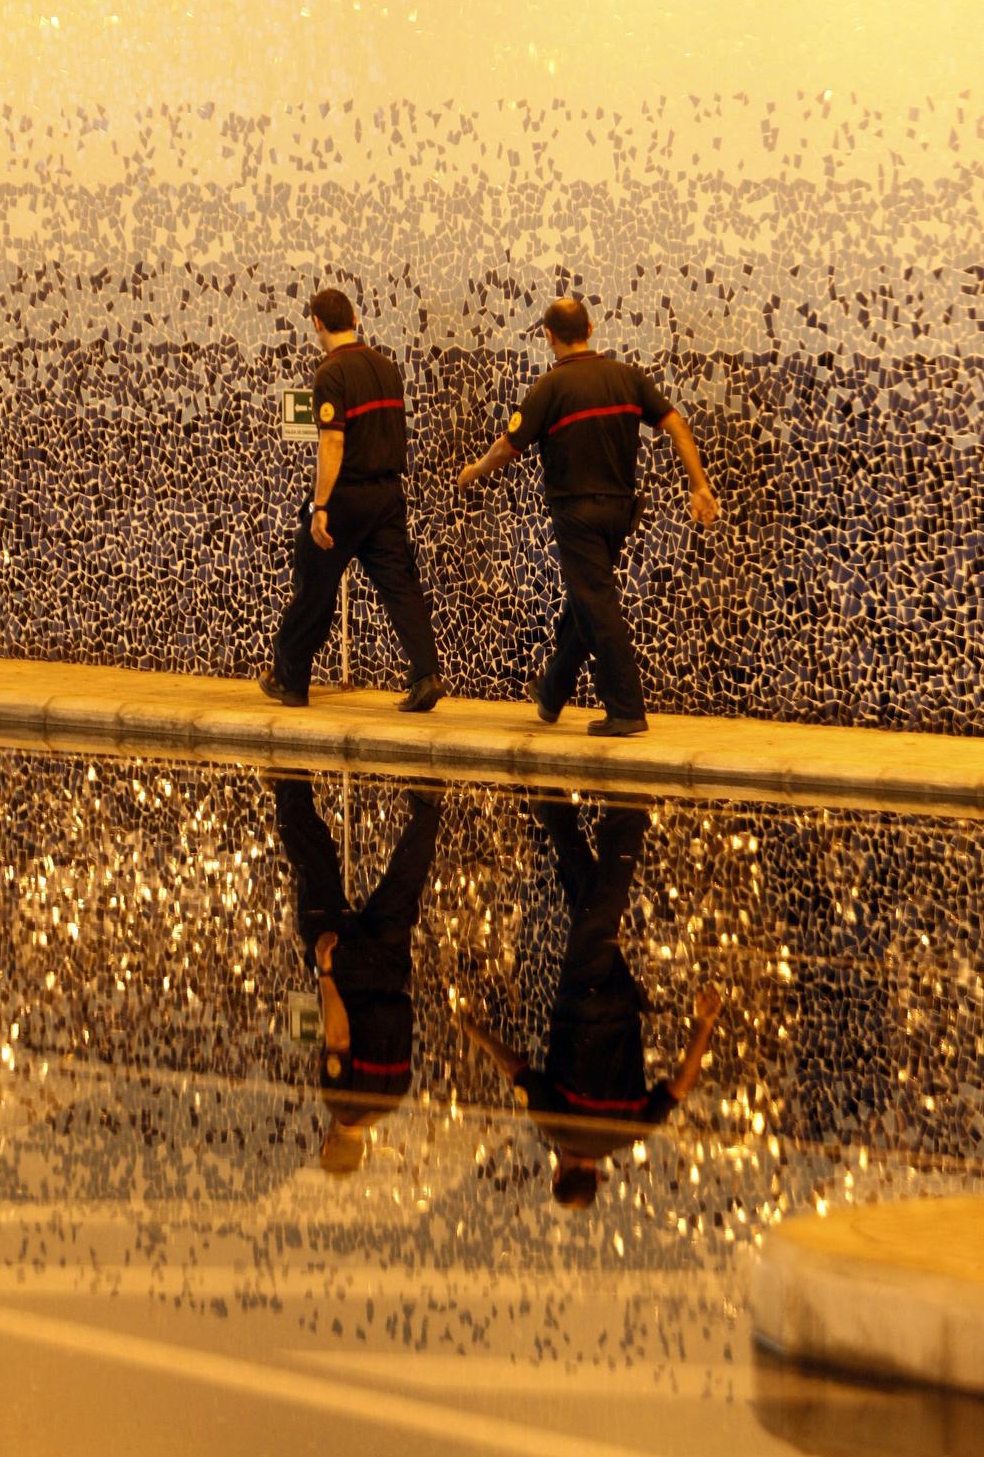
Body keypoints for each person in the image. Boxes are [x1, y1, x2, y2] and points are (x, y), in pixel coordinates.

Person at [457, 295, 718, 735]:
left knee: (596, 603)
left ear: (549, 336)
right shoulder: (627, 378)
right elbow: (676, 425)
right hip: (619, 510)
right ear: (592, 329)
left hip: (576, 511)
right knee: (586, 597)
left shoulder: (550, 388)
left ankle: (626, 709)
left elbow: (508, 447)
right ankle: (552, 691)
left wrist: (475, 470)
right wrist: (698, 483)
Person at [463, 795, 723, 1208]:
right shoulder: (557, 1128)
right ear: (559, 1172)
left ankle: (556, 812)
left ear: (597, 1175)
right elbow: (515, 1067)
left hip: (622, 1004)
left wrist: (704, 1025)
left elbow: (681, 1085)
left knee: (588, 905)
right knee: (600, 910)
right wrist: (475, 1032)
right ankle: (626, 816)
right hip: (579, 1003)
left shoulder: (632, 1133)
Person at [262, 287, 444, 713]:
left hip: (344, 497)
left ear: (317, 324)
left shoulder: (331, 373)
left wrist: (319, 506)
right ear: (355, 320)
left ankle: (291, 680)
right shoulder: (386, 368)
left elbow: (332, 442)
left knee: (313, 584)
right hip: (387, 495)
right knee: (401, 587)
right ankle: (425, 675)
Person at [273, 772, 442, 1177]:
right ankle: (288, 783)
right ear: (328, 1142)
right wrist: (325, 973)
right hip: (346, 973)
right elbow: (339, 1037)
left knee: (404, 886)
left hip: (388, 969)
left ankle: (428, 807)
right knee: (315, 870)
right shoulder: (340, 1101)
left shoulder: (394, 1097)